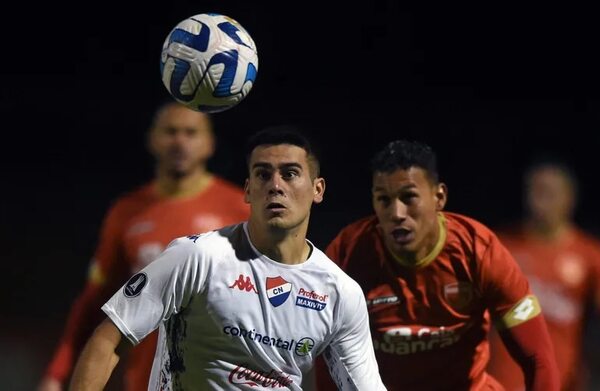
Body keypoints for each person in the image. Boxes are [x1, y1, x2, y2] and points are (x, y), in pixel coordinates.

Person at [68, 126, 386, 390]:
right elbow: (108, 342)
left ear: (317, 189)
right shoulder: (197, 257)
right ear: (247, 190)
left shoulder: (340, 293)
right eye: (263, 175)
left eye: (290, 174)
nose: (275, 186)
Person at [38, 102, 250, 391]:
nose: (180, 141)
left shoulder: (240, 209)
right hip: (145, 381)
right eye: (171, 132)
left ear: (210, 144)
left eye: (190, 133)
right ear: (152, 140)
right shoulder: (127, 213)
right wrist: (57, 373)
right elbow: (93, 303)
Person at [316, 140, 560, 390]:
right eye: (384, 200)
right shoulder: (348, 255)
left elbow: (538, 359)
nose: (397, 213)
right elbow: (328, 359)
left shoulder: (478, 252)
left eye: (409, 197)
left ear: (439, 197)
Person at [487, 159, 600, 391]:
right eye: (535, 191)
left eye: (549, 193)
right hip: (498, 381)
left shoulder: (589, 255)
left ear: (570, 197)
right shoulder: (500, 246)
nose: (539, 201)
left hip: (557, 381)